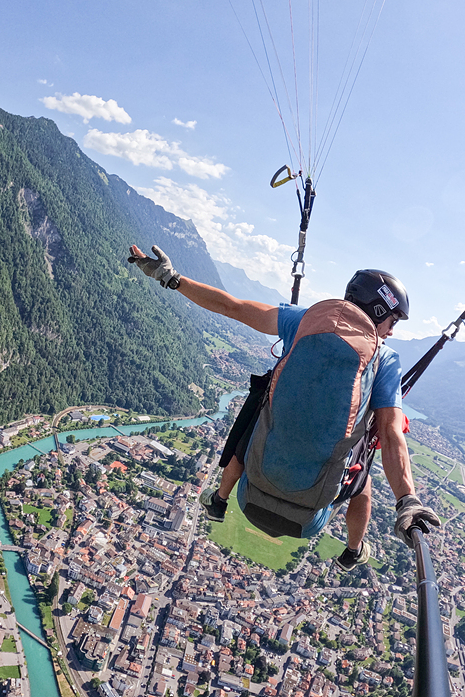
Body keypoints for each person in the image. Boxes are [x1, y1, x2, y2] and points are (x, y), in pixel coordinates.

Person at [128, 244, 440, 570]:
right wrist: (406, 498)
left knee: (260, 410)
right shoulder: (385, 359)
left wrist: (171, 277)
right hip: (309, 518)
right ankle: (353, 550)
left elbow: (231, 306)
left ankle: (218, 499)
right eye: (392, 321)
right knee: (364, 479)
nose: (391, 331)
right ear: (379, 311)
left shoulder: (302, 320)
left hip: (249, 495)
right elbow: (391, 435)